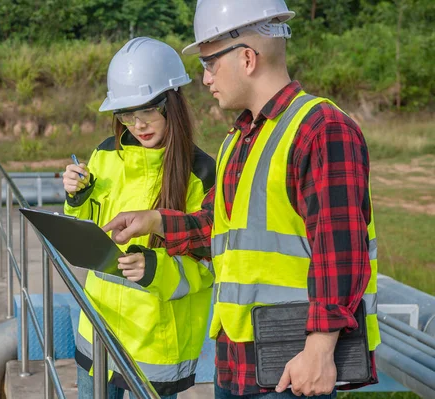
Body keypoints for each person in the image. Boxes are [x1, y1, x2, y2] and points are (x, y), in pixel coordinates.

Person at [102, 1, 381, 398]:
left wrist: (320, 349)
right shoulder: (240, 138)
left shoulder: (320, 129)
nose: (204, 78)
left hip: (291, 368)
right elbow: (219, 228)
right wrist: (156, 222)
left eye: (209, 63)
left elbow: (339, 249)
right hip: (236, 362)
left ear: (247, 58)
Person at [63, 37, 216, 399]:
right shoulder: (105, 155)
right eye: (126, 114)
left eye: (147, 110)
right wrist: (76, 196)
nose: (137, 124)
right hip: (98, 326)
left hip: (156, 342)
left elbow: (210, 266)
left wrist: (154, 268)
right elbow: (87, 224)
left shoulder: (202, 174)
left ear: (173, 102)